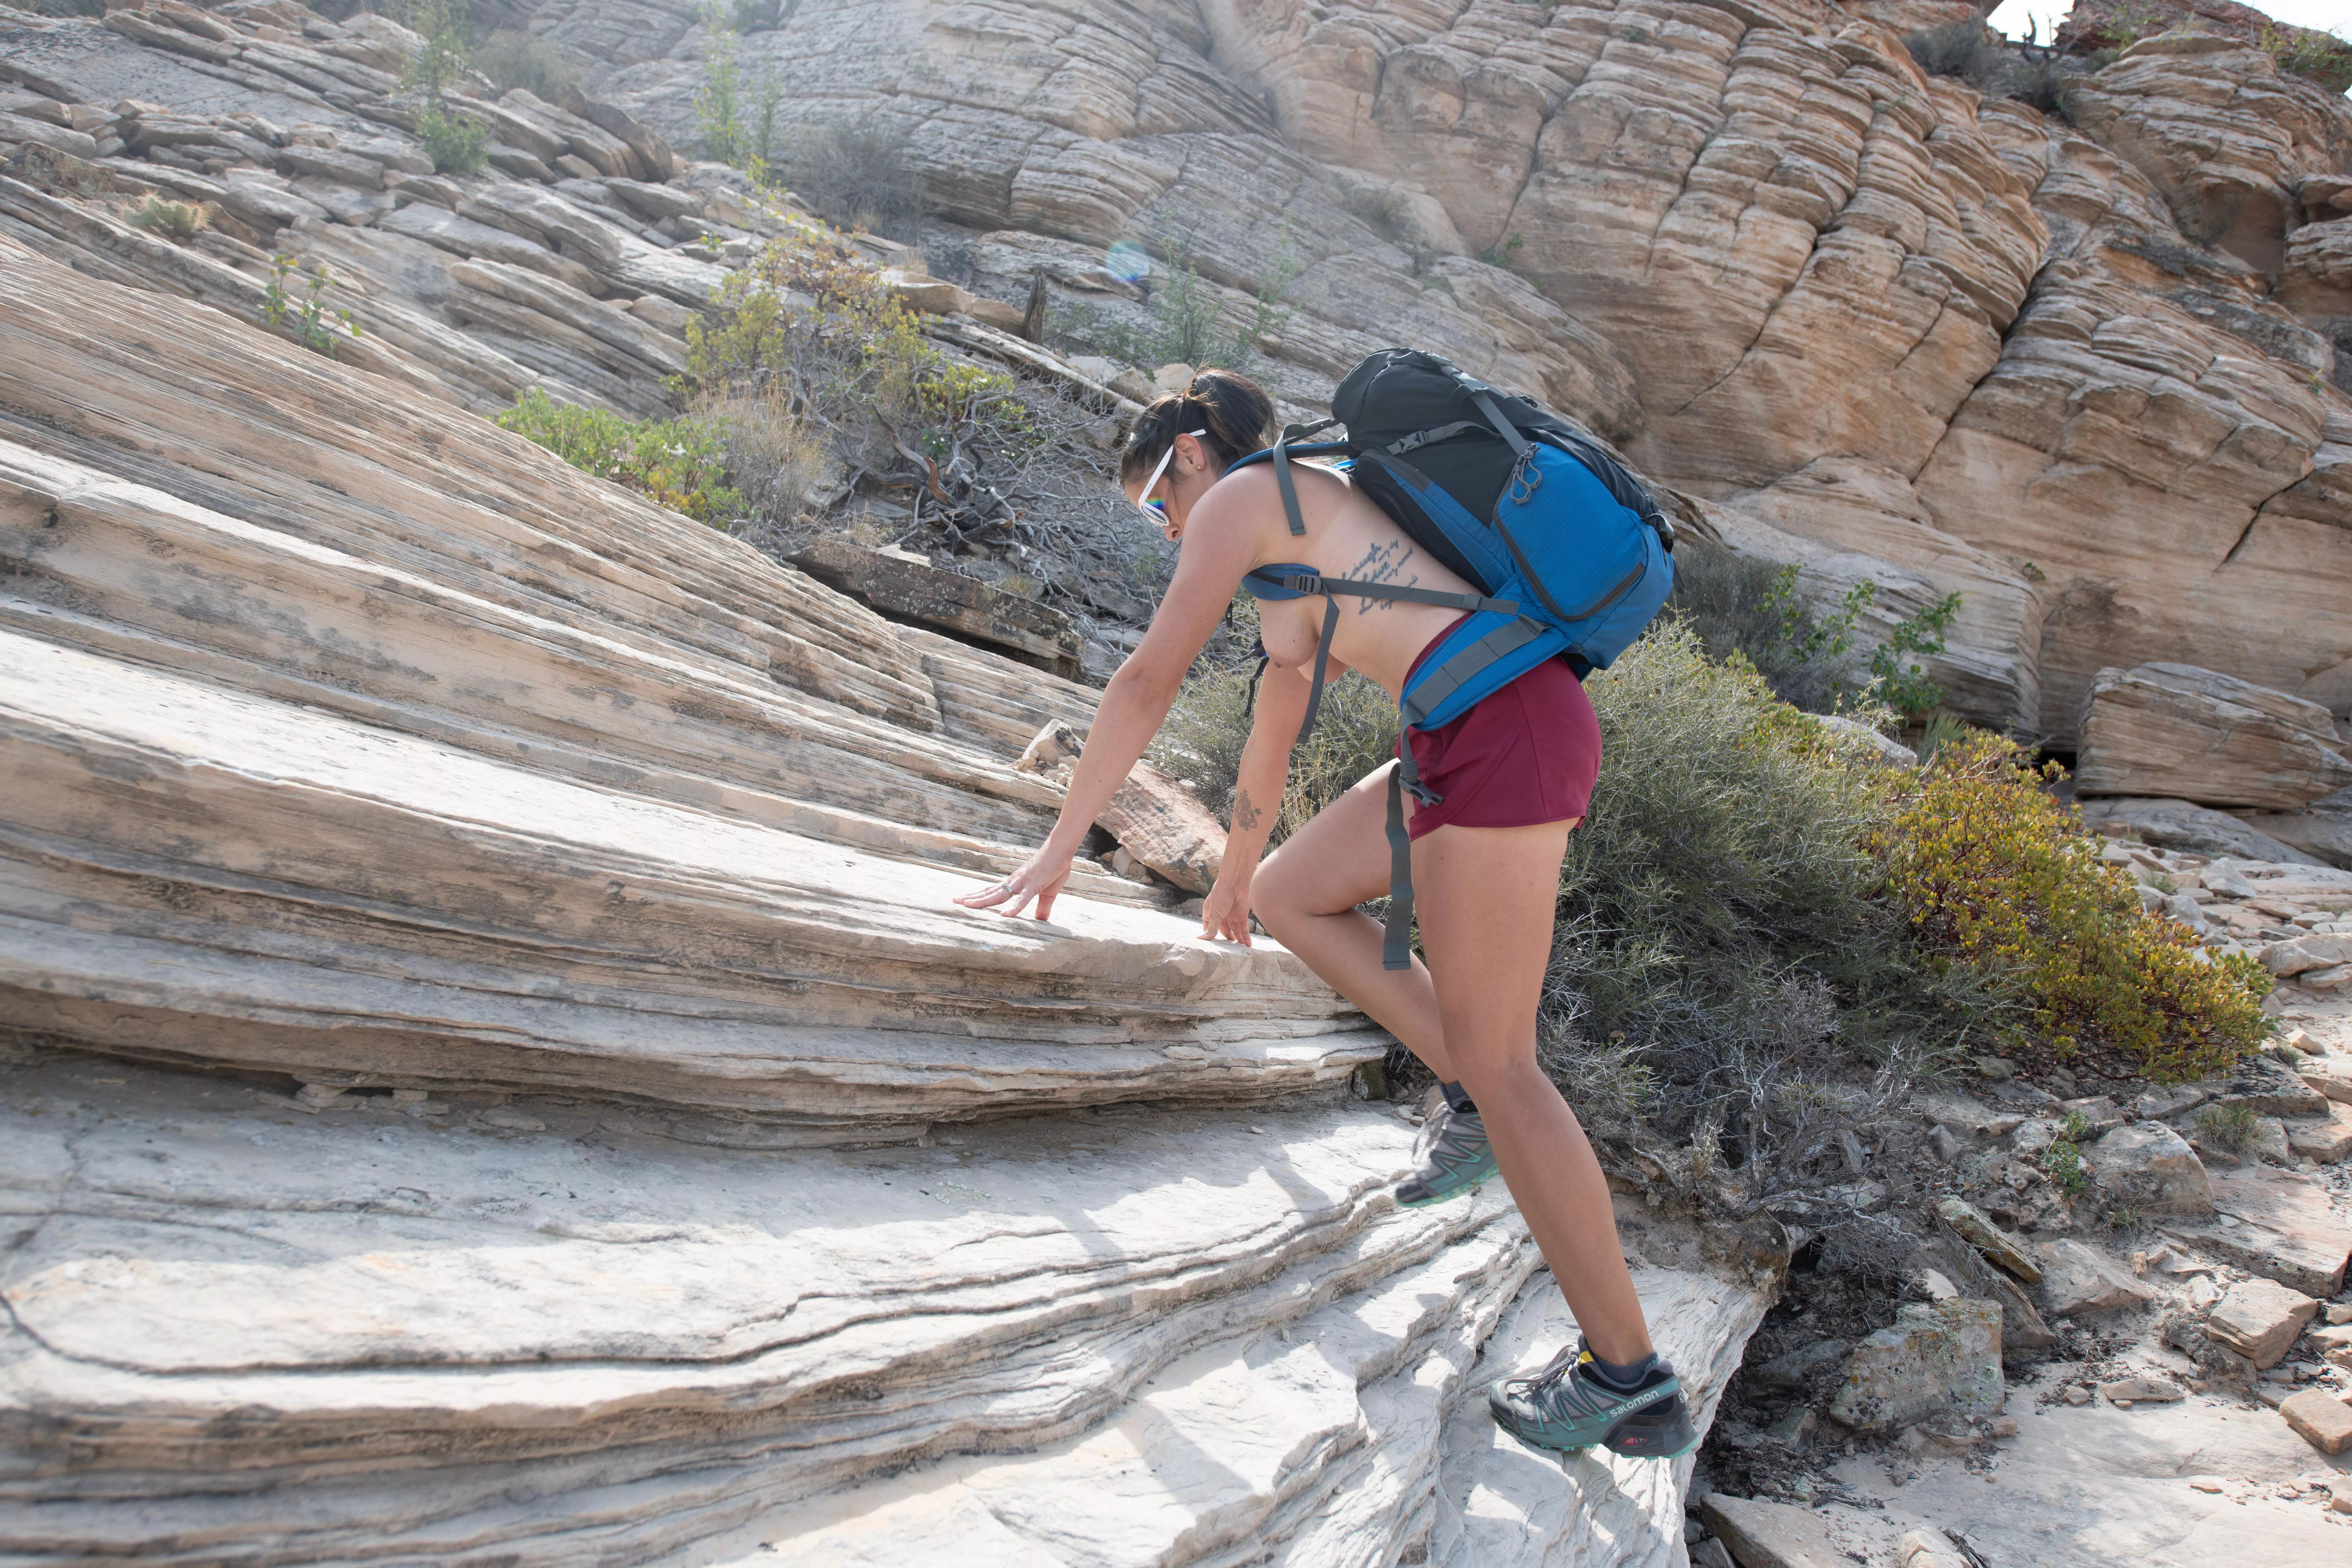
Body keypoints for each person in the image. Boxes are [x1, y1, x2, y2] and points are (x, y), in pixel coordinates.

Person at [953, 370, 1695, 1460]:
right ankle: (1472, 1100)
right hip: (1471, 729)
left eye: (1158, 502)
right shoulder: (1306, 525)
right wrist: (1232, 872)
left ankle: (1629, 1378)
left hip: (1505, 731)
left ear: (1193, 456)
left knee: (1509, 1066)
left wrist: (1058, 848)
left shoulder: (1251, 498)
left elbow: (1147, 682)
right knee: (1292, 896)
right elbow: (1274, 722)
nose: (1166, 529)